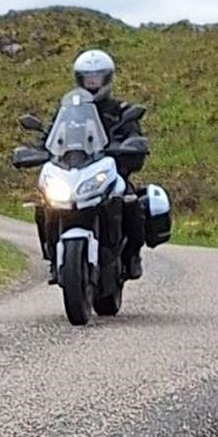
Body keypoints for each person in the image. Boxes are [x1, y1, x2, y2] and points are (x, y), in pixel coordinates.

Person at [71, 49, 148, 280]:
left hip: (112, 173)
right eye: (87, 77)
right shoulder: (70, 111)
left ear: (107, 78)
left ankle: (132, 254)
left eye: (97, 77)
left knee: (131, 202)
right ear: (79, 79)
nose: (92, 82)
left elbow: (134, 136)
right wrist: (39, 148)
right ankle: (51, 252)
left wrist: (131, 147)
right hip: (78, 173)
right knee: (44, 202)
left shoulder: (121, 111)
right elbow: (53, 137)